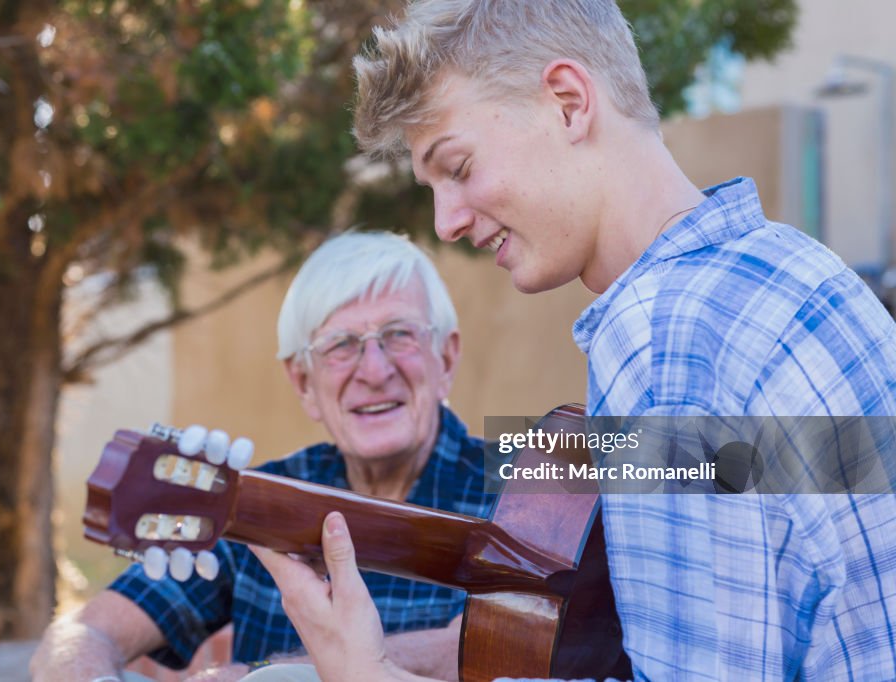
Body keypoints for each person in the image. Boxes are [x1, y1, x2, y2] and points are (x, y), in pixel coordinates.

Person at [251, 1, 896, 681]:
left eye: (460, 167)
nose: (445, 222)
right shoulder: (798, 269)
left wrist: (368, 673)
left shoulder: (662, 345)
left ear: (567, 102)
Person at [30, 231, 493, 682]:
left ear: (446, 359)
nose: (374, 370)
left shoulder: (534, 472)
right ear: (304, 384)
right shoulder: (252, 497)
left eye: (400, 334)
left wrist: (271, 676)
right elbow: (83, 631)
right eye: (340, 345)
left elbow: (501, 647)